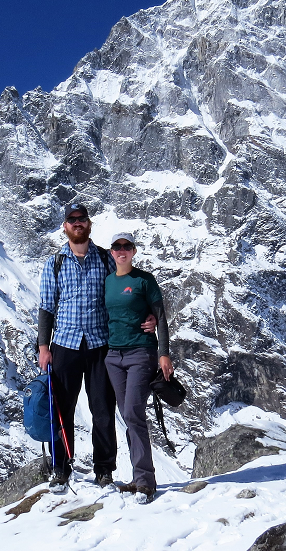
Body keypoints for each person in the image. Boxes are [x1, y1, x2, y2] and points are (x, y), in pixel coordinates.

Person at [37, 204, 155, 490]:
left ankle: (104, 469)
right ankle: (61, 467)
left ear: (89, 225)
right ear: (65, 226)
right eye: (72, 220)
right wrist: (43, 346)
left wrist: (148, 315)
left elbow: (125, 290)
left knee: (102, 409)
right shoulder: (54, 264)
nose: (77, 224)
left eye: (82, 219)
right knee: (62, 408)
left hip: (101, 344)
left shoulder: (105, 259)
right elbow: (46, 308)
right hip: (64, 344)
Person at [103, 232, 173, 503]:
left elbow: (161, 316)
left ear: (133, 251)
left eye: (126, 246)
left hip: (140, 353)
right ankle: (138, 476)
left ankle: (145, 480)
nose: (122, 251)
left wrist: (163, 353)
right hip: (113, 357)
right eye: (117, 247)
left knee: (133, 412)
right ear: (112, 252)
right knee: (127, 414)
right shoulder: (108, 281)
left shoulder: (145, 280)